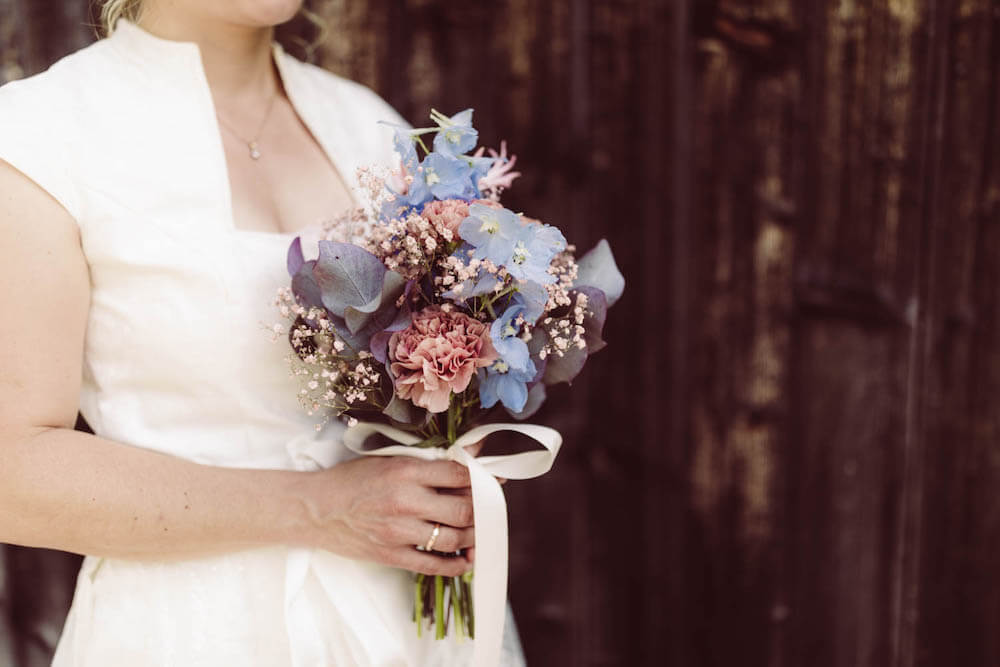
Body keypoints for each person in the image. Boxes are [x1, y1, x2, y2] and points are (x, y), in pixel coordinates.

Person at [0, 1, 524, 664]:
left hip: (406, 626)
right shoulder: (43, 134)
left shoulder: (367, 124)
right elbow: (12, 470)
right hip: (188, 631)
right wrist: (317, 508)